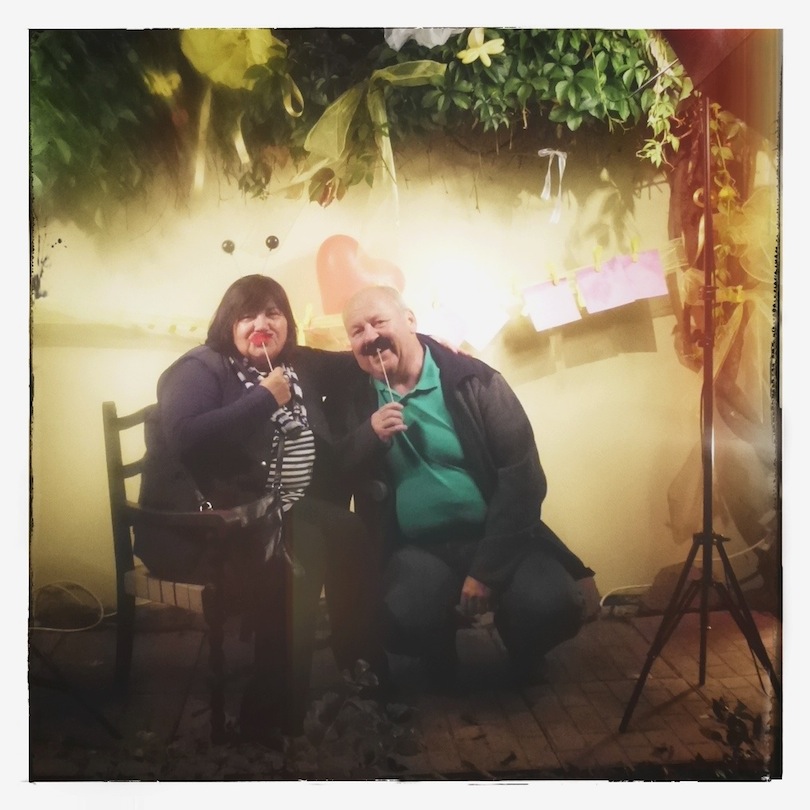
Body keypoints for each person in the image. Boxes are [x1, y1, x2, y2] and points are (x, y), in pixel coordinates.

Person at [135, 274, 387, 742]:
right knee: (301, 550)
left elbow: (359, 359)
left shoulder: (295, 363)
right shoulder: (199, 368)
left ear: (288, 323)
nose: (261, 324)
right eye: (247, 315)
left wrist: (423, 344)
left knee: (349, 530)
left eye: (273, 313)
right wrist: (263, 398)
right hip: (196, 530)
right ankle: (272, 712)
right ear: (227, 324)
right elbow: (186, 436)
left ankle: (363, 674)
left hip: (257, 516)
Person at [335, 285, 598, 688]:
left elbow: (523, 480)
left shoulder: (474, 380)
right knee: (396, 617)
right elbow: (335, 465)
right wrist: (368, 435)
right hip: (416, 548)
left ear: (410, 320)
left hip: (495, 537)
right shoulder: (353, 395)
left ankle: (524, 647)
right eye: (357, 331)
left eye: (379, 322)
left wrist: (486, 573)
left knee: (552, 605)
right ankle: (437, 649)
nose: (370, 336)